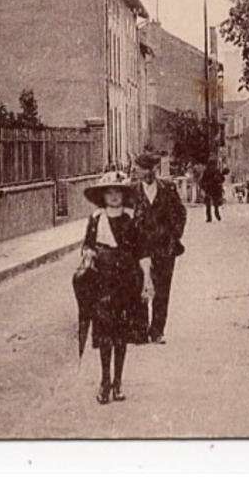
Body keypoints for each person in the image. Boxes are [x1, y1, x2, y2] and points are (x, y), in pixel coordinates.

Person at [77, 170, 153, 404]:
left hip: (126, 282)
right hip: (103, 282)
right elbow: (88, 246)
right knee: (104, 334)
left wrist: (147, 280)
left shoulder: (131, 220)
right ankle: (104, 382)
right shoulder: (96, 219)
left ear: (123, 195)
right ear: (103, 196)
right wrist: (88, 260)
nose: (113, 197)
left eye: (117, 192)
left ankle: (118, 383)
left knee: (121, 334)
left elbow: (142, 253)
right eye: (109, 192)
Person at [132, 150, 188, 345]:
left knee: (162, 290)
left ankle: (157, 331)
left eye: (139, 169)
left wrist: (174, 235)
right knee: (140, 287)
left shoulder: (168, 189)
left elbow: (180, 213)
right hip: (139, 250)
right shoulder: (131, 191)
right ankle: (140, 330)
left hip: (165, 249)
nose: (136, 172)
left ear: (150, 170)